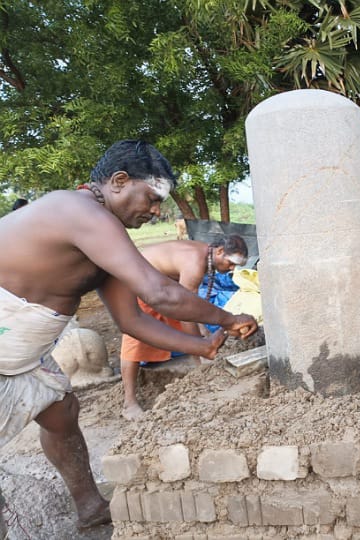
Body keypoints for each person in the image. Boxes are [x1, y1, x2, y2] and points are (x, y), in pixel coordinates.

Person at [0, 140, 257, 529]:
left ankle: (89, 507)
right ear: (119, 182)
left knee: (60, 411)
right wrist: (225, 317)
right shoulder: (75, 209)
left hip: (23, 352)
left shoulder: (103, 234)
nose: (155, 211)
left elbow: (131, 320)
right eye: (152, 199)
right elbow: (160, 293)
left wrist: (201, 345)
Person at [120, 235, 249, 420]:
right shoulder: (195, 263)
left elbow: (192, 305)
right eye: (231, 263)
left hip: (157, 285)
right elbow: (186, 314)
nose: (232, 268)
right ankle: (129, 402)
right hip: (136, 282)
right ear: (219, 251)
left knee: (176, 328)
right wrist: (202, 355)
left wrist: (203, 331)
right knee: (136, 340)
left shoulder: (205, 256)